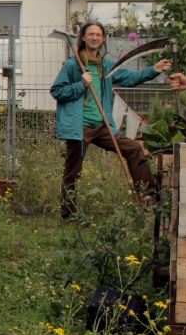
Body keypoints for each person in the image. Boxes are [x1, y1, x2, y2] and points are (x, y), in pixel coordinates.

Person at [51, 21, 171, 219]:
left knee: (133, 148)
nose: (95, 38)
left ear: (103, 38)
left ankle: (150, 199)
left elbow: (131, 78)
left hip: (103, 125)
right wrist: (81, 84)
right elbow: (57, 91)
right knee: (73, 171)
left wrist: (154, 70)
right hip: (80, 126)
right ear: (83, 38)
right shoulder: (73, 65)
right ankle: (68, 214)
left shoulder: (106, 66)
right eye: (91, 34)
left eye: (98, 35)